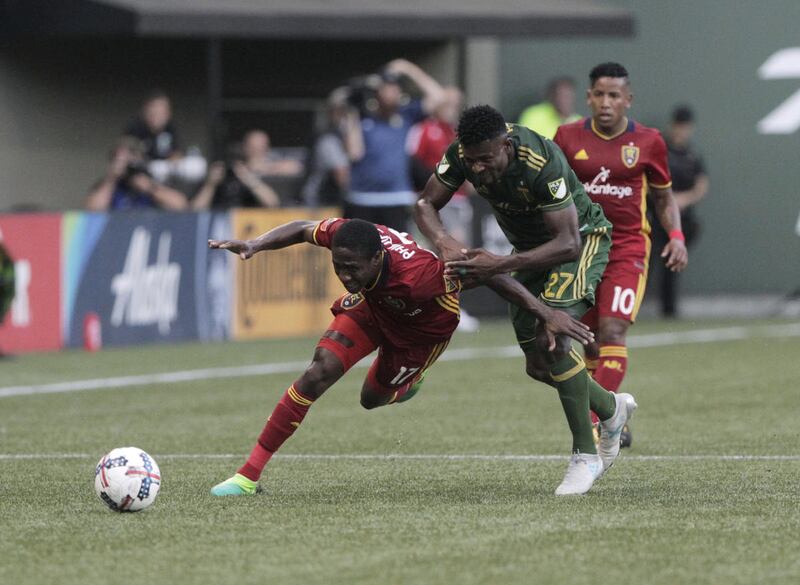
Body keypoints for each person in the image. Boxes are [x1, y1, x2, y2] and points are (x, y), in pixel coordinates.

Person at [206, 217, 595, 496]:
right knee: (318, 372)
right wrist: (257, 244)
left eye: (352, 269)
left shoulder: (422, 276)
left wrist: (546, 313)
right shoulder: (345, 234)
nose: (344, 276)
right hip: (373, 308)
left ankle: (409, 382)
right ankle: (248, 475)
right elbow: (303, 228)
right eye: (338, 266)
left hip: (421, 331)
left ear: (377, 259)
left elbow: (491, 275)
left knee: (370, 399)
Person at [416, 104, 636, 496]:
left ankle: (585, 456)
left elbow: (568, 243)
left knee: (553, 339)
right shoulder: (462, 154)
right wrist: (444, 241)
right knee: (537, 365)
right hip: (528, 251)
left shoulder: (541, 160)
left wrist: (499, 264)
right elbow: (425, 204)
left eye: (486, 159)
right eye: (472, 160)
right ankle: (610, 408)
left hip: (581, 243)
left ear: (505, 145)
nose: (478, 168)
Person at [553, 62, 688, 447]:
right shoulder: (566, 137)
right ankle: (615, 414)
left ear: (628, 99)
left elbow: (663, 198)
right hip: (581, 250)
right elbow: (550, 191)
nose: (606, 102)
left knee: (613, 330)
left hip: (627, 248)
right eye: (599, 94)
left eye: (614, 95)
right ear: (588, 98)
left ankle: (595, 425)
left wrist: (676, 236)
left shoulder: (649, 141)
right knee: (590, 342)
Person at [408, 86, 480, 332]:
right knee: (447, 252)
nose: (452, 108)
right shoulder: (424, 129)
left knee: (459, 255)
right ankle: (438, 308)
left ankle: (450, 306)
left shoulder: (456, 133)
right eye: (448, 103)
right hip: (436, 201)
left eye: (456, 104)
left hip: (459, 201)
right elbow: (413, 162)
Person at [342, 59, 445, 231]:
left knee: (397, 246)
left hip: (396, 198)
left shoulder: (406, 115)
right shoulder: (364, 117)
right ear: (377, 93)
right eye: (386, 88)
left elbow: (439, 97)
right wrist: (352, 113)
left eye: (394, 88)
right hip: (362, 198)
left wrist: (409, 69)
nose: (391, 93)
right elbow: (354, 153)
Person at [651, 105, 708, 318]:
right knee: (645, 260)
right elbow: (647, 180)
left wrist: (683, 199)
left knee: (673, 263)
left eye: (685, 126)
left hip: (682, 219)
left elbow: (701, 184)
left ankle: (669, 309)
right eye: (679, 125)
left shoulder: (692, 155)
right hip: (657, 215)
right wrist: (666, 198)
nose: (681, 131)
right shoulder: (660, 150)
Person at [86, 137, 188, 211]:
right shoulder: (110, 184)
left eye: (131, 159)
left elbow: (181, 205)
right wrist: (111, 179)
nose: (128, 165)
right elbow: (92, 210)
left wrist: (150, 188)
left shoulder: (150, 181)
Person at [192, 131, 283, 210]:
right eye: (252, 148)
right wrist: (210, 184)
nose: (255, 153)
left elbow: (273, 204)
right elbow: (195, 210)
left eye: (259, 149)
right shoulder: (219, 175)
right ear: (244, 148)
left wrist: (249, 179)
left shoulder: (266, 174)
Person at [301, 88, 360, 208]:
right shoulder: (328, 141)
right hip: (323, 205)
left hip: (345, 201)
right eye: (341, 112)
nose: (346, 118)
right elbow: (343, 179)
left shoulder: (364, 136)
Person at [124, 90, 181, 161]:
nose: (157, 117)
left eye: (161, 113)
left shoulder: (171, 128)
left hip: (162, 165)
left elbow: (177, 152)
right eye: (154, 112)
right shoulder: (136, 127)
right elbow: (125, 146)